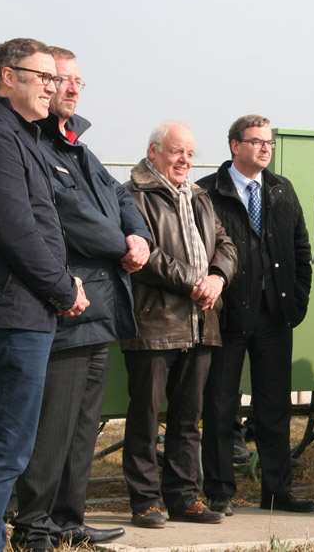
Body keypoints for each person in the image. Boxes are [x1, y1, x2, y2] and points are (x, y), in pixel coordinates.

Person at [0, 38, 89, 552]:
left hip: (24, 309)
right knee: (4, 449)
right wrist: (62, 288)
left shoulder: (20, 135)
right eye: (44, 77)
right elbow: (17, 231)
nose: (54, 87)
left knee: (8, 445)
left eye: (58, 79)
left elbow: (41, 225)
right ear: (9, 76)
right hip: (10, 312)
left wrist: (62, 282)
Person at [11, 47, 151, 550]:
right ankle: (33, 524)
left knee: (83, 425)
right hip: (66, 305)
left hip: (102, 307)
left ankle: (69, 519)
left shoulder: (80, 149)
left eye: (75, 82)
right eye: (59, 80)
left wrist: (139, 237)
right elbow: (68, 214)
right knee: (55, 422)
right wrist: (123, 245)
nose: (68, 89)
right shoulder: (34, 146)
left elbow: (119, 198)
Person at [198, 115, 314, 516]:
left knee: (274, 406)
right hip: (226, 318)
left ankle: (276, 490)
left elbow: (302, 250)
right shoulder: (208, 192)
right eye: (257, 141)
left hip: (274, 317)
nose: (266, 148)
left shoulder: (282, 189)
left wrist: (296, 302)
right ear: (235, 145)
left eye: (270, 143)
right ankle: (219, 491)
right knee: (219, 404)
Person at [122, 123, 237, 527]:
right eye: (176, 151)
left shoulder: (200, 196)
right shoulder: (132, 195)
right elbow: (143, 255)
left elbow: (225, 244)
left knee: (189, 419)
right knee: (146, 418)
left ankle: (184, 496)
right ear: (153, 152)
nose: (185, 160)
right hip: (154, 324)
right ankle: (145, 501)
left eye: (189, 152)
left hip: (201, 323)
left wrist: (218, 277)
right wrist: (194, 283)